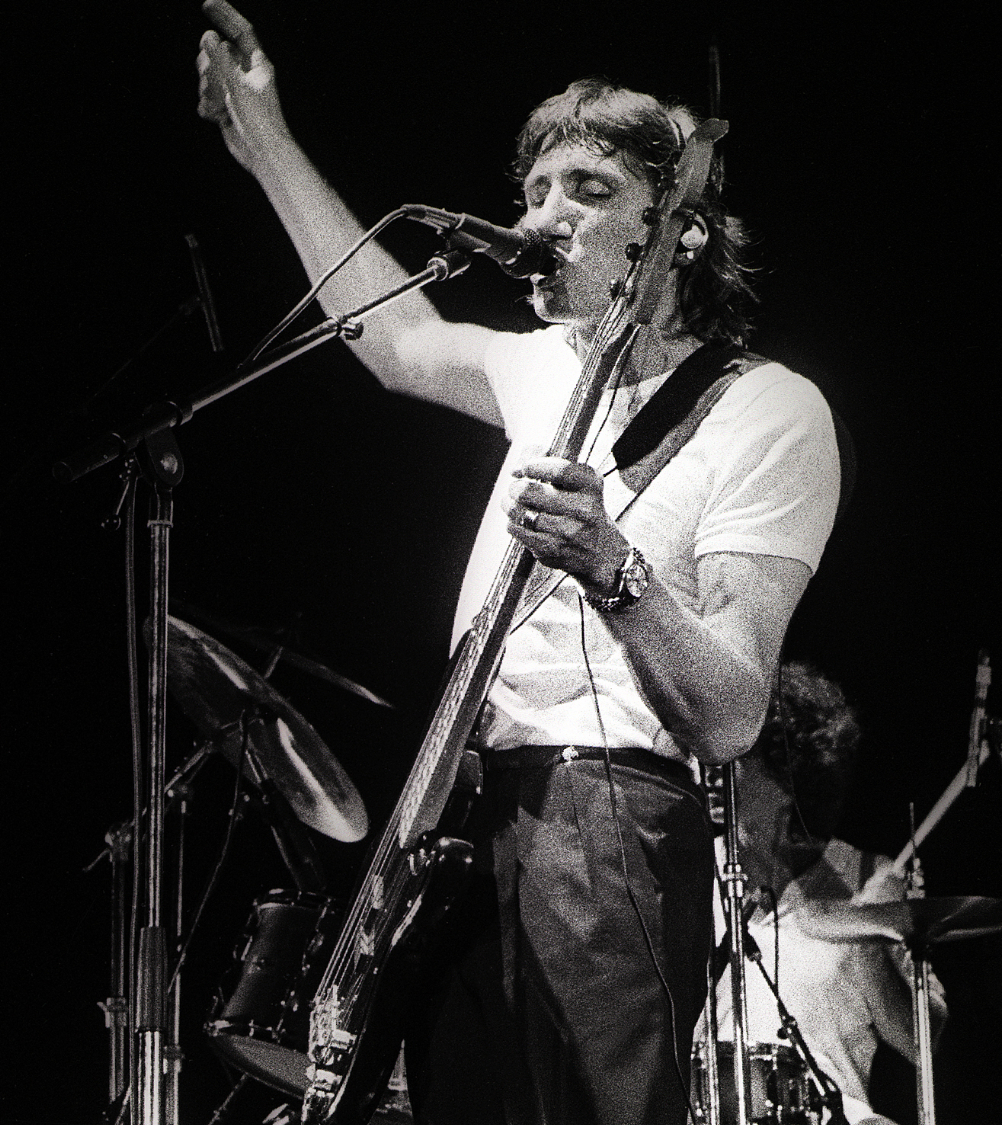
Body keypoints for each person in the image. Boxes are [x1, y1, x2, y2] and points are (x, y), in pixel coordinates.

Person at [194, 3, 842, 1123]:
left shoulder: (767, 410)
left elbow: (733, 710)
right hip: (463, 815)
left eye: (588, 190)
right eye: (535, 191)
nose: (544, 216)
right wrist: (264, 140)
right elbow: (394, 338)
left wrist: (612, 565)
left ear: (679, 231)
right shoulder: (538, 367)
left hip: (610, 817)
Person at [715, 662, 946, 1125]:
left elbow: (923, 1040)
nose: (719, 775)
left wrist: (868, 933)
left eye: (738, 762)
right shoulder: (696, 869)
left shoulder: (865, 876)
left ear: (788, 785)